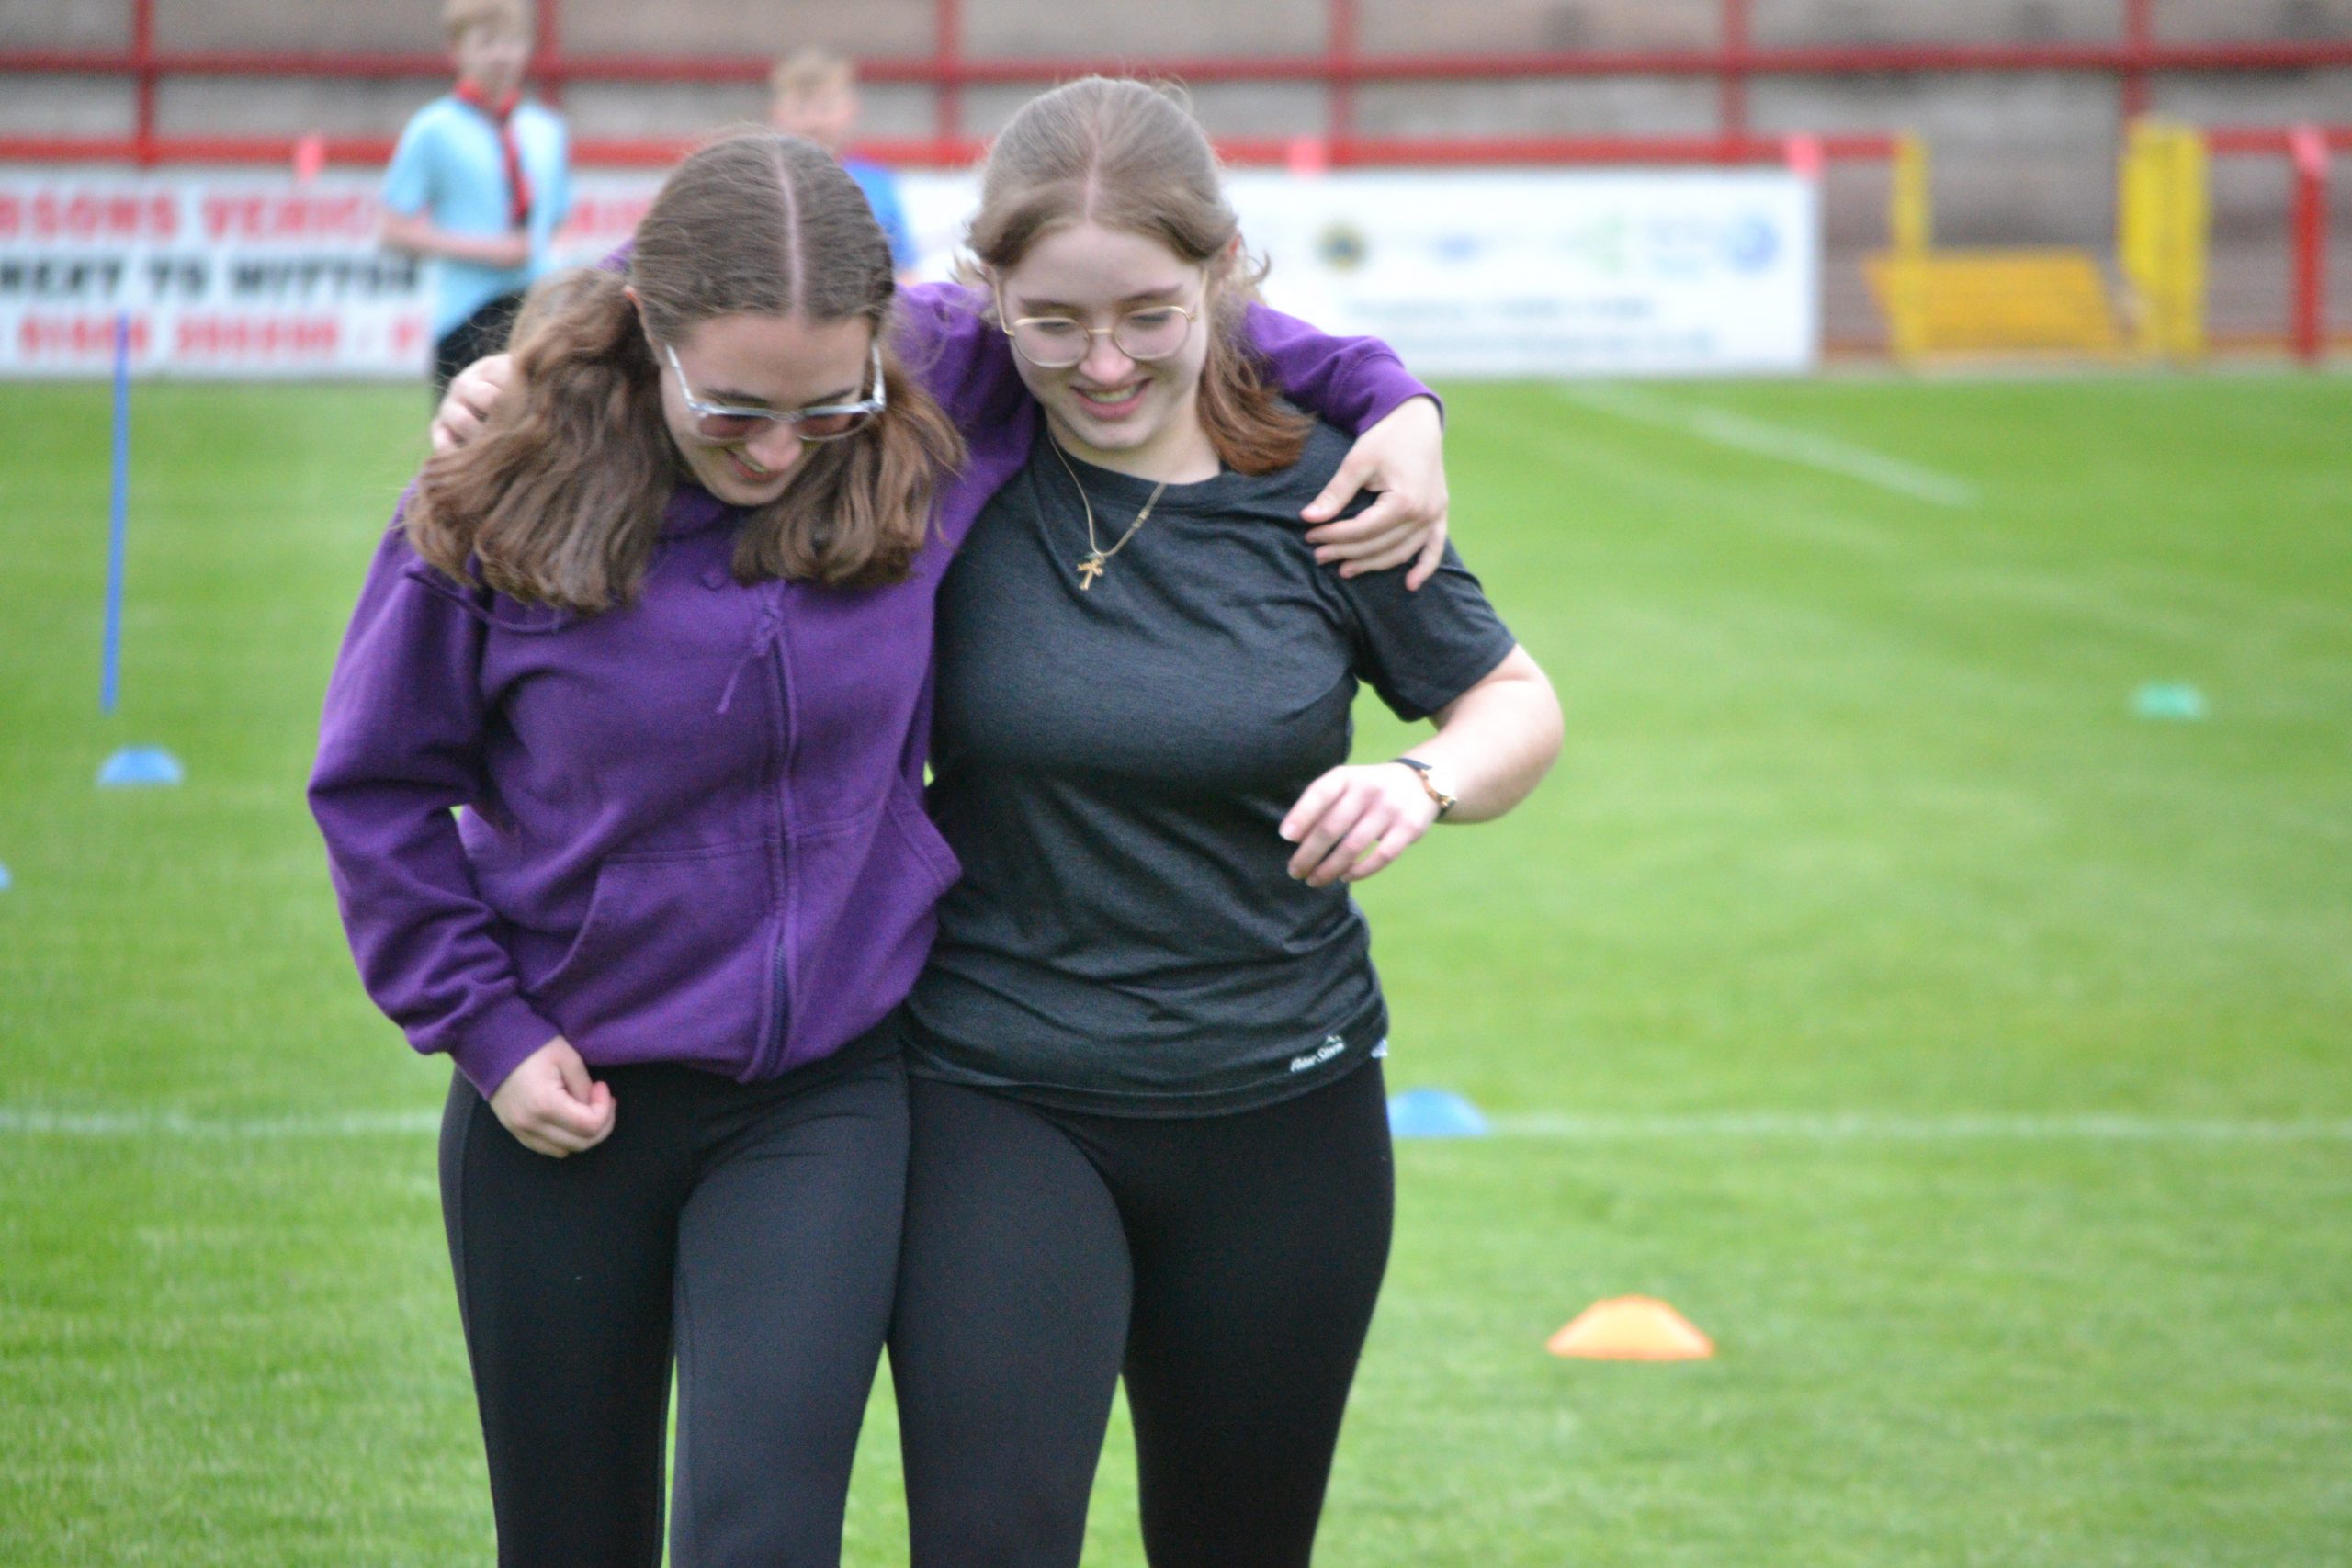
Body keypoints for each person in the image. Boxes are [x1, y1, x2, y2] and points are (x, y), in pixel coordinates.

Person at [337, 127, 1450, 1565]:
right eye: (733, 411)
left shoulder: (936, 382)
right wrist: (483, 1025)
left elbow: (1155, 305)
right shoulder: (496, 490)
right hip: (561, 1088)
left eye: (829, 404)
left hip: (826, 1093)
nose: (785, 448)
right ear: (654, 344)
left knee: (762, 1535)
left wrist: (1389, 392)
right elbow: (375, 785)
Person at [884, 78, 1562, 1568]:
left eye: (1147, 312)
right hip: (997, 1089)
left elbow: (1517, 704)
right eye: (1053, 321)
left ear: (1224, 273)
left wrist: (1421, 779)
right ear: (985, 289)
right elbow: (713, 314)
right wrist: (518, 378)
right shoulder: (940, 463)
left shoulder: (1333, 484)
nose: (1103, 361)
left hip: (1284, 1109)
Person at [381, 0, 571, 393]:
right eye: (487, 43)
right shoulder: (433, 130)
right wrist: (489, 250)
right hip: (465, 315)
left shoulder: (545, 131)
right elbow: (392, 230)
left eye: (511, 42)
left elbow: (553, 222)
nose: (501, 55)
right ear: (457, 51)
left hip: (534, 316)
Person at [771, 46, 917, 282]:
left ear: (851, 110)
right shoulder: (763, 183)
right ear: (778, 114)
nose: (814, 123)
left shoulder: (878, 185)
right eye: (800, 109)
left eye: (825, 109)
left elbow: (906, 272)